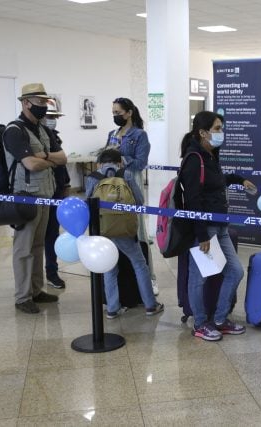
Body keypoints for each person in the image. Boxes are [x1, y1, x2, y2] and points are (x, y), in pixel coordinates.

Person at [180, 111, 256, 341]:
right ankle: (200, 323)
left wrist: (239, 180)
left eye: (221, 128)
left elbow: (217, 182)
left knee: (235, 271)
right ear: (203, 132)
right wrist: (202, 234)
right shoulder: (194, 159)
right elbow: (193, 200)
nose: (221, 133)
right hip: (206, 228)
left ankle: (221, 319)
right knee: (199, 278)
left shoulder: (210, 155)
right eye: (217, 128)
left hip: (220, 226)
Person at [3, 83, 67, 313]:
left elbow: (63, 157)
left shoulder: (43, 129)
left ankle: (37, 290)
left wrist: (45, 156)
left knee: (38, 245)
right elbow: (30, 163)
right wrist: (48, 159)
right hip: (25, 198)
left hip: (45, 195)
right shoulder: (14, 130)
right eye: (40, 102)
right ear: (26, 102)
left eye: (45, 102)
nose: (43, 106)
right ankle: (22, 297)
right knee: (23, 248)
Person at [85, 149, 164, 319]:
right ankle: (151, 305)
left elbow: (88, 202)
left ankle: (113, 309)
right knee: (139, 264)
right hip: (125, 230)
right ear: (119, 162)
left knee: (109, 267)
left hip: (102, 230)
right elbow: (139, 201)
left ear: (100, 163)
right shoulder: (126, 174)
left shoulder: (93, 177)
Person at [106, 97, 158, 295]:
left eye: (118, 113)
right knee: (115, 233)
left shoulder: (139, 135)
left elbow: (140, 163)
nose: (115, 117)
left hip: (131, 186)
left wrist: (121, 157)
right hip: (112, 190)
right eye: (113, 114)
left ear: (128, 113)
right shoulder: (112, 134)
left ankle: (150, 278)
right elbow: (105, 159)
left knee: (138, 234)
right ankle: (121, 280)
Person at [42, 100, 71, 289]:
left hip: (57, 191)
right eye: (50, 117)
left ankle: (52, 271)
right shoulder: (36, 136)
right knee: (40, 235)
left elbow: (62, 163)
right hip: (42, 191)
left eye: (55, 117)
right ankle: (42, 274)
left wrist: (66, 184)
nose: (52, 121)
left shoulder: (54, 136)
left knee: (52, 233)